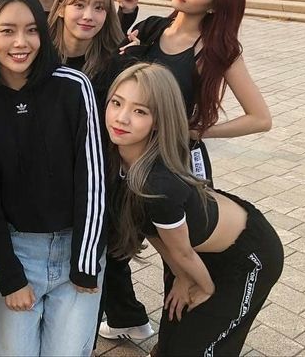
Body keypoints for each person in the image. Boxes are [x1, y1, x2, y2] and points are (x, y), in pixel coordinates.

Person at [99, 0, 273, 342]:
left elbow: (260, 118)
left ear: (214, 5)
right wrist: (123, 17)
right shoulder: (150, 28)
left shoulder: (214, 49)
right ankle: (128, 315)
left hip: (174, 165)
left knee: (177, 252)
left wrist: (200, 129)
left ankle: (180, 334)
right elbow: (119, 77)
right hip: (128, 156)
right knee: (113, 241)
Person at [0, 0, 106, 356]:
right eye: (7, 31)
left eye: (31, 29)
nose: (20, 42)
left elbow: (93, 177)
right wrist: (8, 275)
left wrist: (86, 262)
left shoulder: (74, 87)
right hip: (18, 250)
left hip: (77, 247)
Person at [104, 62, 283, 355]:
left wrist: (203, 287)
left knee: (200, 347)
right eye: (116, 103)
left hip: (246, 255)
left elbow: (181, 251)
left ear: (159, 120)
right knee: (171, 344)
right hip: (192, 254)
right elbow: (155, 233)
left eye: (140, 111)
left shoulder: (158, 183)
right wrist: (182, 277)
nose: (121, 118)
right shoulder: (114, 159)